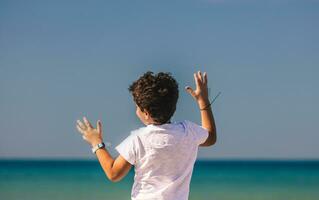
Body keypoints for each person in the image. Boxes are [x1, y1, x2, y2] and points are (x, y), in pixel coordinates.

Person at [76, 71, 217, 200]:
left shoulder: (138, 139)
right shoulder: (188, 132)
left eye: (137, 107)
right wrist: (202, 100)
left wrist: (96, 142)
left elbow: (113, 173)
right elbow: (210, 137)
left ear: (146, 113)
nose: (136, 110)